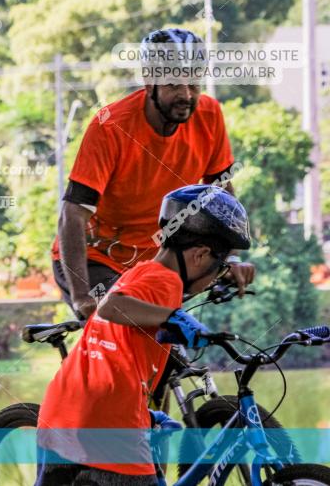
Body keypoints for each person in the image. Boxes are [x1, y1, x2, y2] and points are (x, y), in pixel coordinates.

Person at [36, 184, 251, 485]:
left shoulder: (141, 272)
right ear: (201, 255)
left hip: (61, 413)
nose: (218, 274)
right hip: (108, 427)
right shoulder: (165, 284)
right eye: (219, 266)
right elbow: (111, 306)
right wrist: (173, 318)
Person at [52, 28, 255, 320]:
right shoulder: (110, 127)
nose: (186, 95)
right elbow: (72, 216)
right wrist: (82, 296)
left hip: (155, 261)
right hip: (96, 258)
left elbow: (221, 198)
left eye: (193, 84)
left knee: (174, 350)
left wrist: (231, 257)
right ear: (149, 83)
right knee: (142, 335)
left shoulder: (209, 116)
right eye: (173, 84)